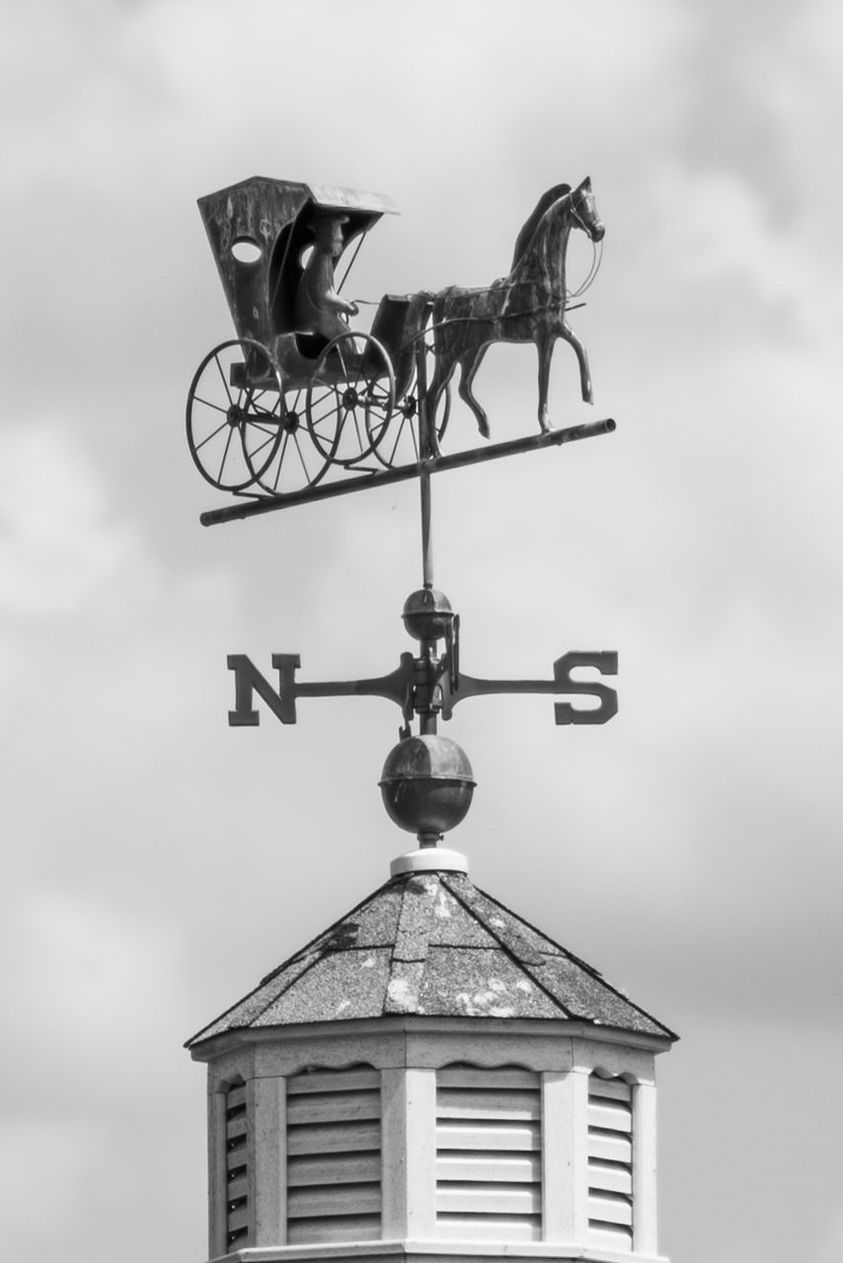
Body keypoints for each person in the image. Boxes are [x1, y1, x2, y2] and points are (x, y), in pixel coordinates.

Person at [293, 213, 359, 344]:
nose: (340, 239)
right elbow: (322, 296)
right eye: (336, 237)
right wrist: (345, 306)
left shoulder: (325, 259)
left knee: (348, 335)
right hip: (314, 320)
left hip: (321, 317)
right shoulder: (319, 261)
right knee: (344, 339)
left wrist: (342, 302)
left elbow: (329, 291)